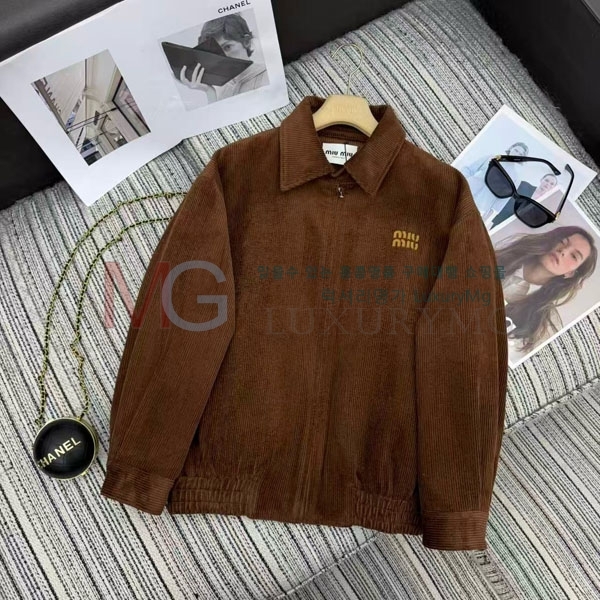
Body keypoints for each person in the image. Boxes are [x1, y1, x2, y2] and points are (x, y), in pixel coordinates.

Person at [494, 225, 597, 355]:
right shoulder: (497, 257)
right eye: (562, 242)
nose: (563, 251)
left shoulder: (542, 323)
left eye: (574, 256)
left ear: (571, 273)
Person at [178, 14, 269, 102]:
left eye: (227, 47)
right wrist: (209, 92)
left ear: (246, 42)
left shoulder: (267, 76)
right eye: (215, 51)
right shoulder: (220, 88)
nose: (222, 57)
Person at [460, 142, 529, 217]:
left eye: (520, 154)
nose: (516, 154)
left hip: (480, 205)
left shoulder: (515, 177)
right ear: (511, 148)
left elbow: (502, 200)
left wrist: (488, 216)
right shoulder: (492, 158)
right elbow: (468, 169)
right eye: (516, 150)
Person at [486, 172, 560, 230]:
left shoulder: (545, 203)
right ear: (541, 180)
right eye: (546, 180)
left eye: (552, 184)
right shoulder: (525, 186)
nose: (547, 184)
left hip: (519, 225)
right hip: (504, 217)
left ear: (553, 187)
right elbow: (509, 202)